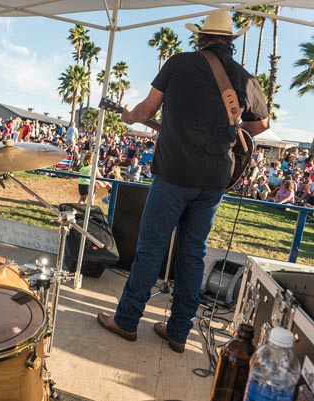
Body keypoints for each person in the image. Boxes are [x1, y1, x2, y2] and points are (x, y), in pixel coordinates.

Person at [96, 10, 269, 353]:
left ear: (201, 37)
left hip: (174, 175)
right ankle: (178, 333)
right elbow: (262, 124)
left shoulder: (179, 63)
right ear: (229, 42)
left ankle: (127, 321)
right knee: (193, 254)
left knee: (151, 249)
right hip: (215, 181)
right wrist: (230, 132)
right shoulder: (243, 77)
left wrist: (129, 115)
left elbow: (145, 113)